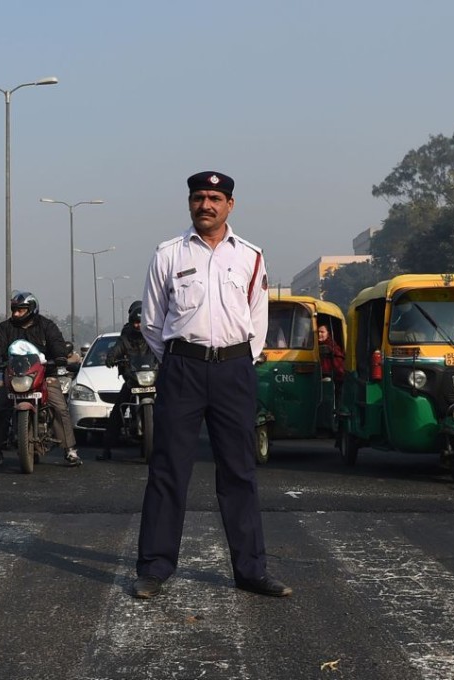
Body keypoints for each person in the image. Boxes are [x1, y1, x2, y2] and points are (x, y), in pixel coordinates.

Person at [132, 170, 291, 600]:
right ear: (189, 203)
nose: (206, 204)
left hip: (234, 372)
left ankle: (251, 571)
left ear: (230, 205)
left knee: (239, 471)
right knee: (168, 470)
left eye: (215, 198)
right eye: (199, 197)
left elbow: (257, 319)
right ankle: (154, 567)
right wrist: (181, 360)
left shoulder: (251, 256)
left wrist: (240, 360)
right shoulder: (167, 254)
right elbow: (152, 321)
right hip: (182, 369)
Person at [0, 291, 82, 468]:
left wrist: (59, 357)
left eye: (21, 310)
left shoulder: (46, 326)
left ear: (32, 309)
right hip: (15, 377)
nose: (16, 313)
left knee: (59, 407)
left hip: (45, 375)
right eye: (14, 310)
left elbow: (57, 342)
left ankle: (70, 450)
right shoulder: (5, 328)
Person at [98, 300, 157, 461]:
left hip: (152, 379)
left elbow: (162, 348)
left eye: (141, 322)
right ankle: (107, 448)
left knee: (172, 405)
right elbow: (117, 348)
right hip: (133, 379)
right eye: (136, 322)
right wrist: (111, 358)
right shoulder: (126, 337)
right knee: (118, 410)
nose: (138, 326)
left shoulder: (153, 335)